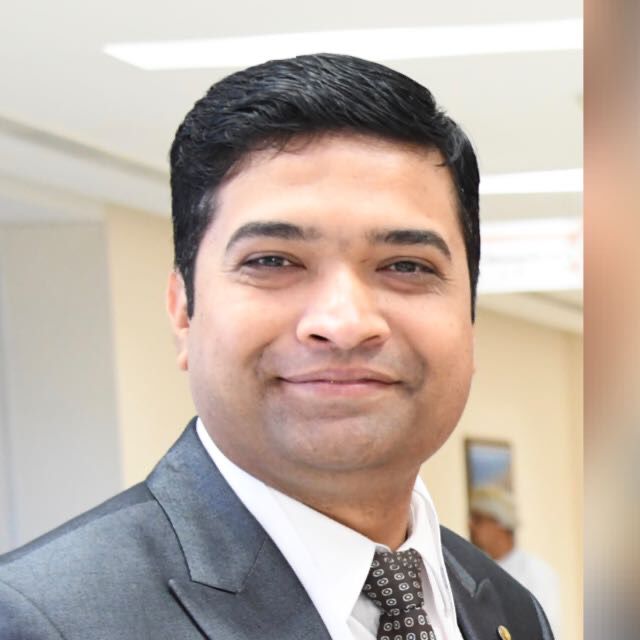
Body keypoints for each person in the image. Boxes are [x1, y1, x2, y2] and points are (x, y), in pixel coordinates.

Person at [0, 53, 554, 639]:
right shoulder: (42, 620)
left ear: (469, 318)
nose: (344, 323)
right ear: (183, 310)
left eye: (406, 265)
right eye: (272, 261)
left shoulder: (508, 608)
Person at [469, 485, 561, 636]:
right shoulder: (470, 570)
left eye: (478, 519)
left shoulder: (538, 573)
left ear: (499, 522)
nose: (471, 526)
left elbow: (546, 631)